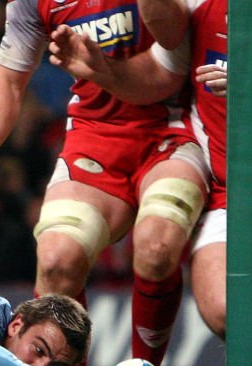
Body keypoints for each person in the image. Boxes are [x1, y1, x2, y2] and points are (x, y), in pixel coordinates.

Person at [0, 0, 210, 366]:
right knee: (57, 261)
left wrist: (103, 69)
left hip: (175, 126)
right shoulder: (31, 3)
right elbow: (9, 78)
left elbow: (170, 62)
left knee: (156, 248)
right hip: (96, 136)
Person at [48, 0, 227, 339]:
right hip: (227, 192)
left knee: (157, 243)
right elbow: (160, 73)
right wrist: (105, 72)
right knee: (221, 310)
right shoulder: (198, 7)